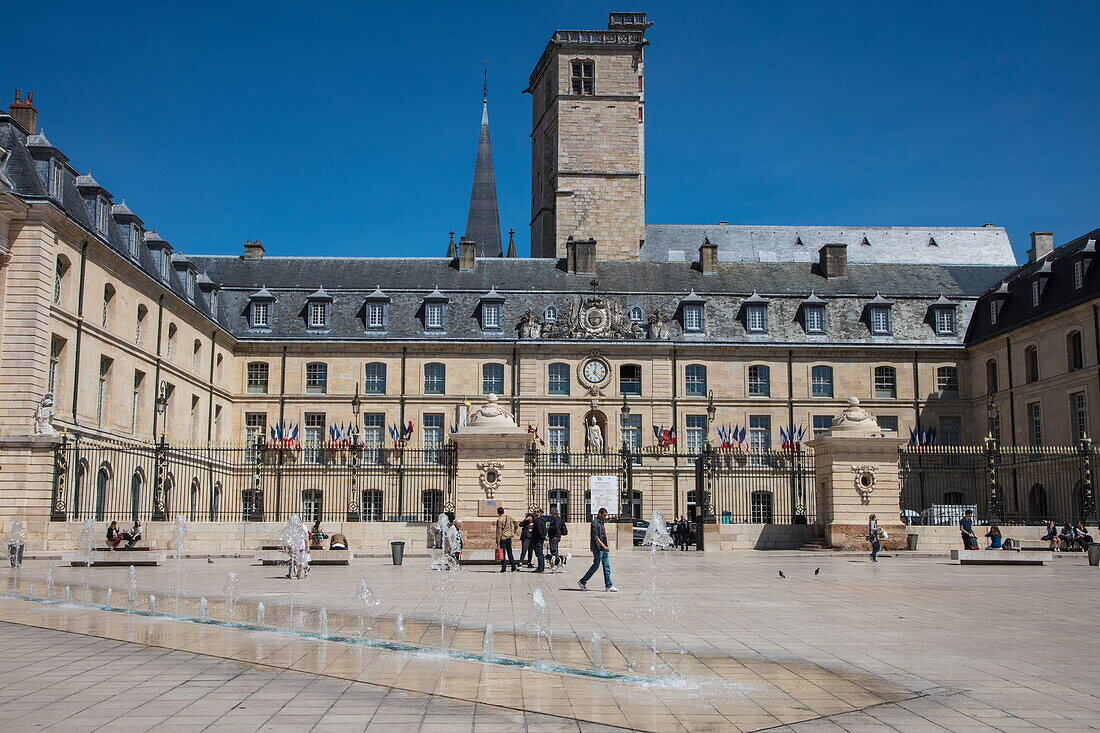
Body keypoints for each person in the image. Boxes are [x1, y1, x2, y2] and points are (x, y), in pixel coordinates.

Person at [579, 507, 618, 592]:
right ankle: (582, 581)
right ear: (600, 514)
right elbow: (596, 537)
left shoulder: (602, 522)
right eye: (604, 515)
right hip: (597, 548)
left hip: (603, 548)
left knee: (606, 566)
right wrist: (604, 546)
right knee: (595, 566)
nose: (605, 517)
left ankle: (608, 585)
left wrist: (605, 547)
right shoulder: (594, 523)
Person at [495, 506, 518, 572]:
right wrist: (514, 531)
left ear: (498, 513)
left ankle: (503, 568)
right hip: (509, 537)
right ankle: (513, 567)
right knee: (510, 552)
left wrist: (497, 541)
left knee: (503, 553)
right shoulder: (509, 517)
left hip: (503, 538)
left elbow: (498, 531)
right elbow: (516, 523)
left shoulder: (499, 520)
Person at [531, 507, 547, 573]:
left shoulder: (538, 521)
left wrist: (542, 537)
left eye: (537, 512)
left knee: (539, 554)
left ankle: (540, 568)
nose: (535, 513)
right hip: (540, 539)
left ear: (540, 512)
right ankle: (541, 567)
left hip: (537, 539)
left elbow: (539, 531)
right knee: (540, 554)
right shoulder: (543, 520)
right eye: (534, 512)